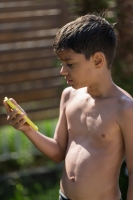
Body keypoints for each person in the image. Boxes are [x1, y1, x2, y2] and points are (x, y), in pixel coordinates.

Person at [3, 14, 133, 200]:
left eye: (69, 64)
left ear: (97, 61)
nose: (62, 70)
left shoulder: (125, 108)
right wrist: (27, 128)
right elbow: (58, 152)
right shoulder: (69, 96)